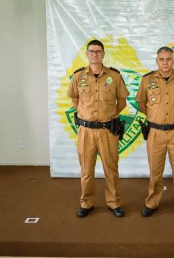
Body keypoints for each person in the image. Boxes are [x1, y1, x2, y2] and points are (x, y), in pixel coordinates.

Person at [67, 39, 130, 218]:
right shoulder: (79, 76)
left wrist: (108, 116)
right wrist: (86, 115)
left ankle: (114, 203)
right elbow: (74, 99)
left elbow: (122, 102)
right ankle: (86, 203)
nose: (95, 54)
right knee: (86, 170)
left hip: (107, 131)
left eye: (98, 51)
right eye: (91, 51)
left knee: (111, 169)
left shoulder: (114, 76)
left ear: (103, 54)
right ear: (87, 54)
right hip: (86, 131)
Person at [135, 46, 174, 218]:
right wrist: (155, 117)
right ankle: (152, 203)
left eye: (168, 59)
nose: (165, 62)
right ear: (157, 61)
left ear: (173, 60)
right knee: (155, 171)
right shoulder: (147, 79)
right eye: (161, 59)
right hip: (156, 133)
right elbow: (141, 103)